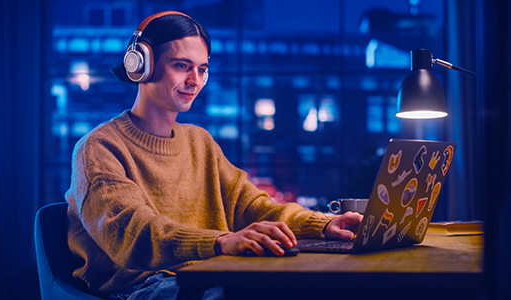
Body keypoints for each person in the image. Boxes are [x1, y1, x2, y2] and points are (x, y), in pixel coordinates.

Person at [64, 11, 363, 299]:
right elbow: (134, 233)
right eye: (182, 66)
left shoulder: (200, 142)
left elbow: (255, 207)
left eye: (202, 69)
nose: (195, 80)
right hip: (137, 289)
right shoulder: (99, 148)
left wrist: (323, 225)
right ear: (141, 64)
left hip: (210, 272)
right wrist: (220, 241)